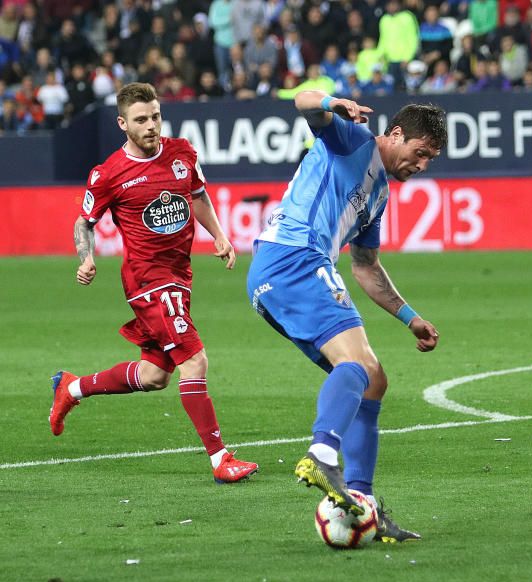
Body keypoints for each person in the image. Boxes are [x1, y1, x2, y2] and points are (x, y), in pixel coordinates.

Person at [245, 93, 445, 542]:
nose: (423, 165)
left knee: (372, 378)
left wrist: (409, 317)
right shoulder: (351, 140)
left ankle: (362, 506)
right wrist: (335, 104)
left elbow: (366, 266)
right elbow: (303, 102)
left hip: (293, 270)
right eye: (420, 153)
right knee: (355, 366)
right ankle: (321, 453)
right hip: (293, 259)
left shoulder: (379, 194)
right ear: (396, 135)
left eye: (431, 158)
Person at [49, 83, 258, 484]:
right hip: (148, 280)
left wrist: (218, 234)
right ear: (122, 123)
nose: (151, 126)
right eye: (141, 119)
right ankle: (220, 460)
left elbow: (197, 195)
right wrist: (86, 257)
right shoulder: (108, 173)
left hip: (179, 275)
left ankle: (72, 388)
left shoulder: (182, 153)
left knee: (154, 375)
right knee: (194, 360)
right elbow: (84, 221)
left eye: (156, 116)